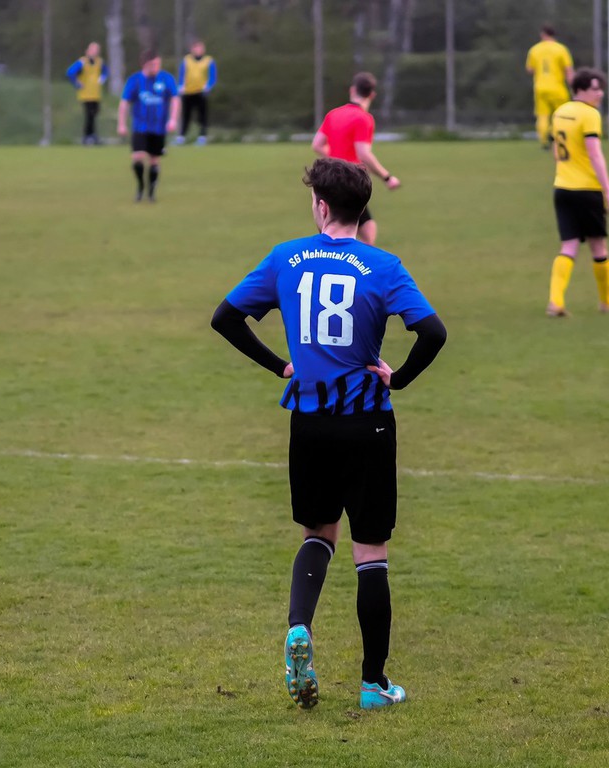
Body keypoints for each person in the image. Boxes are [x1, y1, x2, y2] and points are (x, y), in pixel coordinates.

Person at [211, 157, 447, 710]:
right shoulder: (384, 266)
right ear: (362, 209)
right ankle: (373, 685)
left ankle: (299, 626)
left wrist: (281, 366)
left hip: (310, 421)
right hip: (367, 421)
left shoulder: (285, 257)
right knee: (371, 551)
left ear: (320, 206)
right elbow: (433, 332)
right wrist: (398, 378)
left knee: (318, 533)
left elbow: (225, 319)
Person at [546, 67, 609, 317]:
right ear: (580, 89)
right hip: (588, 190)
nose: (600, 94)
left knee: (568, 246)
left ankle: (556, 301)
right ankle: (606, 302)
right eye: (595, 89)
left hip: (562, 188)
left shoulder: (560, 112)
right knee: (598, 246)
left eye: (601, 89)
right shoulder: (590, 115)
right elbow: (595, 154)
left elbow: (556, 151)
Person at [312, 72, 400, 247]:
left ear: (352, 90)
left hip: (330, 179)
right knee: (366, 231)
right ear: (372, 95)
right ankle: (358, 261)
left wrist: (335, 162)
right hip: (350, 182)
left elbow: (317, 145)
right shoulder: (363, 118)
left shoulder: (334, 114)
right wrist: (387, 177)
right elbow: (363, 153)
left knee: (347, 229)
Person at [117, 50, 180, 202]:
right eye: (153, 64)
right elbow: (125, 103)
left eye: (158, 64)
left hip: (159, 127)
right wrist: (121, 123)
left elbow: (175, 99)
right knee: (137, 157)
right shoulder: (135, 80)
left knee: (154, 160)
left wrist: (173, 119)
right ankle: (140, 187)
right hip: (140, 127)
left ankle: (151, 192)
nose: (156, 67)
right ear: (144, 65)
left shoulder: (166, 79)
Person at [525, 25, 574, 150]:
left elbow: (530, 69)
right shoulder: (561, 49)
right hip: (557, 87)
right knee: (561, 114)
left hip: (540, 87)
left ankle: (544, 141)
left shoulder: (534, 49)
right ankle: (554, 133)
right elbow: (568, 70)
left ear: (542, 34)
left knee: (542, 115)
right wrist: (573, 85)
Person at [175, 39, 217, 145]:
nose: (199, 50)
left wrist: (208, 86)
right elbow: (182, 74)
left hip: (201, 92)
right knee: (186, 116)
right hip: (188, 92)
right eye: (196, 48)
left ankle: (202, 137)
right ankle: (181, 137)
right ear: (192, 49)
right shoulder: (186, 60)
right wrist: (180, 86)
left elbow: (213, 77)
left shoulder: (208, 60)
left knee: (202, 116)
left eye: (200, 48)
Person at [66, 42, 109, 145]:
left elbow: (106, 71)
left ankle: (93, 136)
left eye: (97, 50)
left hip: (96, 94)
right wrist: (77, 83)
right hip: (86, 94)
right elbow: (70, 72)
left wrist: (102, 78)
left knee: (94, 115)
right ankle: (87, 136)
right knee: (89, 115)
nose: (95, 52)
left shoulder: (99, 62)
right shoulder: (82, 62)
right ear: (88, 51)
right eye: (93, 50)